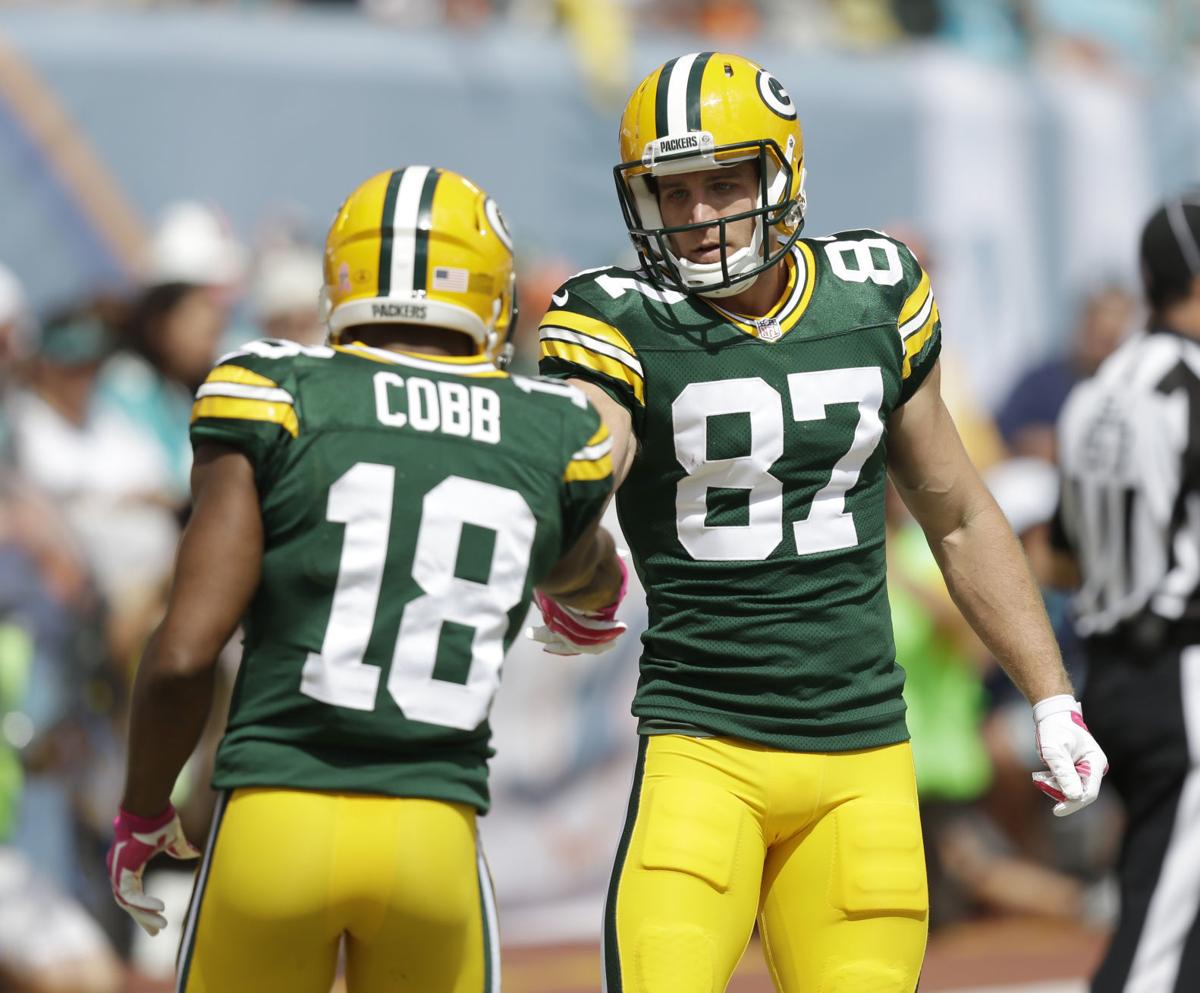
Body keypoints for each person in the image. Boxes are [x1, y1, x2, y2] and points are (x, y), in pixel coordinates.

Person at [532, 52, 1108, 993]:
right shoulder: (619, 317)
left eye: (726, 183)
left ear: (781, 174)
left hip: (862, 760)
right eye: (673, 193)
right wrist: (575, 550)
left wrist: (1050, 698)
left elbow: (957, 511)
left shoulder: (871, 293)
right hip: (702, 747)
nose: (701, 215)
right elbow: (587, 466)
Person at [105, 166, 627, 993]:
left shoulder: (277, 390)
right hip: (434, 834)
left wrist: (141, 808)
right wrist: (593, 594)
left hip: (277, 819)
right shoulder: (549, 427)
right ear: (491, 287)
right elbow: (584, 569)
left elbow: (182, 652)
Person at [1052, 194, 1200, 993]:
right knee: (1160, 941)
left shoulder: (1095, 389)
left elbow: (1064, 552)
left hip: (1115, 665)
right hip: (1183, 675)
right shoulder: (1189, 385)